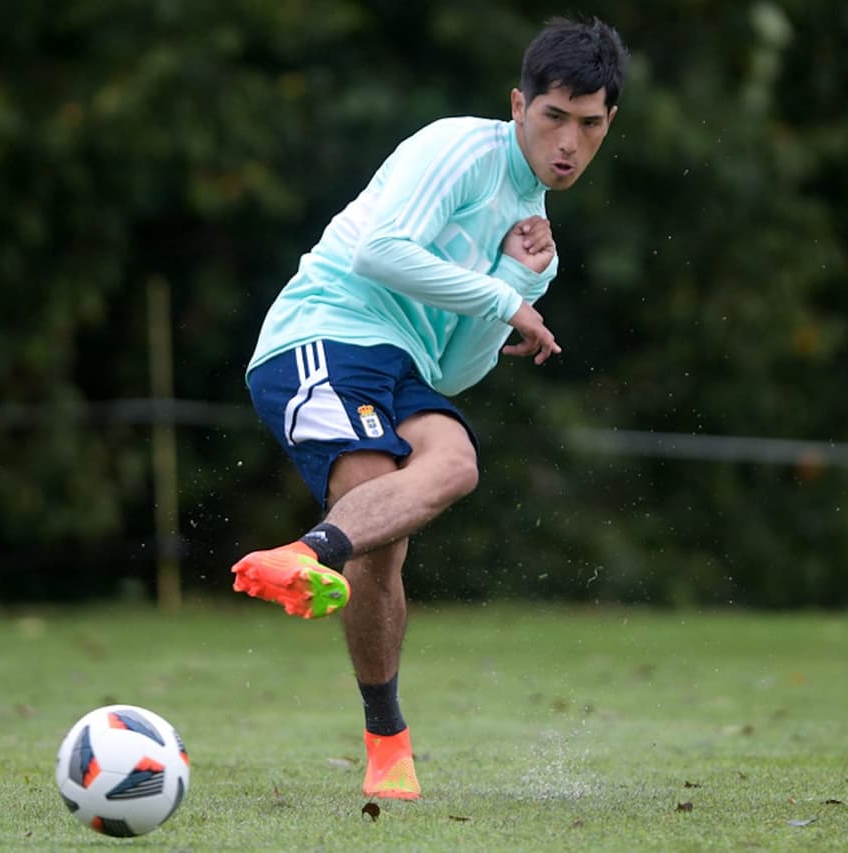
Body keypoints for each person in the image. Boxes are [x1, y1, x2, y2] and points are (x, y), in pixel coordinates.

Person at [231, 16, 629, 800]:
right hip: (323, 332)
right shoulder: (459, 149)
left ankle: (382, 732)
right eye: (553, 117)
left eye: (589, 125)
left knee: (452, 467)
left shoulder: (536, 235)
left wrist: (515, 286)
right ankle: (324, 572)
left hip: (403, 362)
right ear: (518, 105)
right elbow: (380, 252)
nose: (567, 144)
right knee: (372, 491)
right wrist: (502, 298)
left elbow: (451, 367)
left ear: (609, 123)